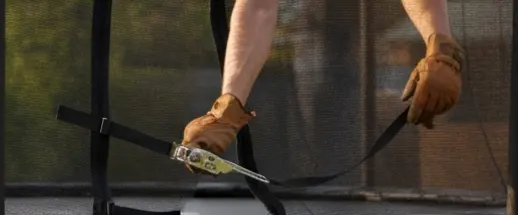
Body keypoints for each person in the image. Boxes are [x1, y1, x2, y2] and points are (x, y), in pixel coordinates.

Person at [182, 0, 464, 158]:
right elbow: (258, 6)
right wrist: (227, 108)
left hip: (366, 41)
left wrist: (439, 45)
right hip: (321, 43)